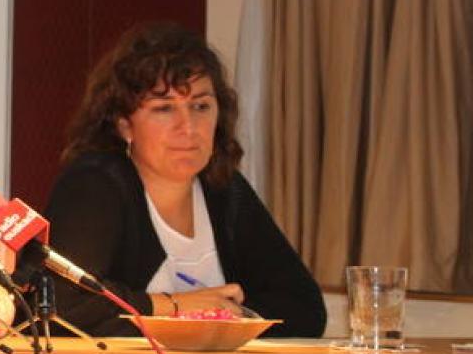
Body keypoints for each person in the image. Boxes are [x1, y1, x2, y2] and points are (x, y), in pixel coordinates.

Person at [41, 22, 326, 337]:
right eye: (164, 109)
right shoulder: (96, 184)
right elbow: (60, 306)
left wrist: (224, 316)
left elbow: (305, 307)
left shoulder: (224, 189)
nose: (188, 127)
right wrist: (175, 307)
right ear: (124, 125)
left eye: (200, 106)